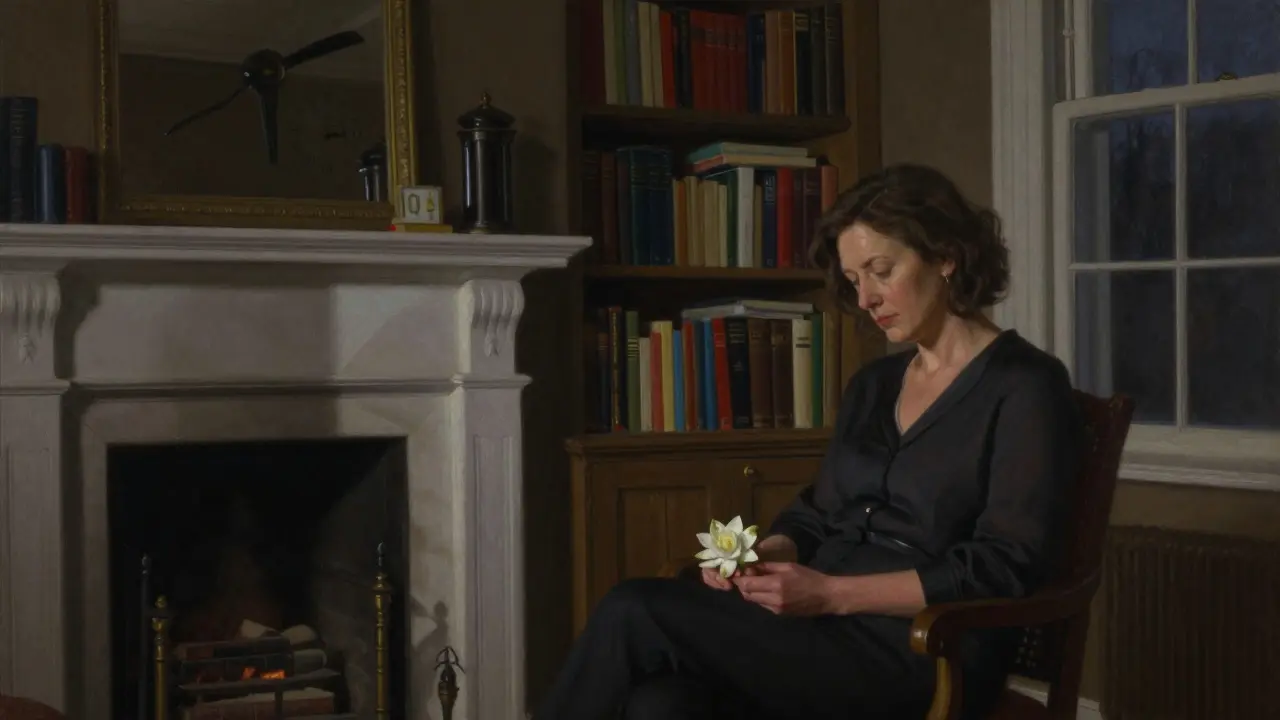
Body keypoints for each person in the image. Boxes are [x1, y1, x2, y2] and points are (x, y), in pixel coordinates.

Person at [534, 163, 1084, 720]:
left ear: (946, 256)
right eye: (854, 280)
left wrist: (831, 594)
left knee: (634, 608)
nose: (866, 298)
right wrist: (763, 556)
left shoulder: (1026, 385)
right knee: (661, 705)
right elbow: (819, 513)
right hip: (817, 625)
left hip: (923, 648)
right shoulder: (874, 385)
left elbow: (1004, 565)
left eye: (881, 271)